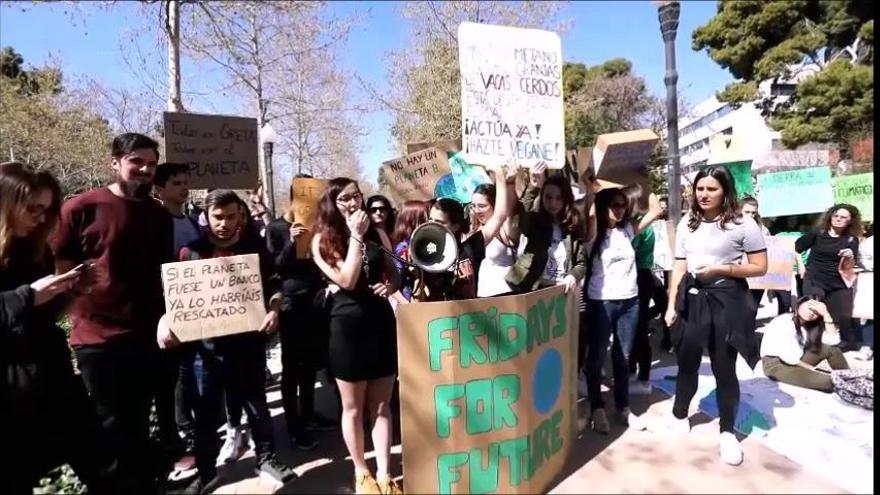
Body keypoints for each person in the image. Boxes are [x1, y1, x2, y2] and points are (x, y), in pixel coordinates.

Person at [52, 133, 175, 491]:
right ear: (115, 163)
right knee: (108, 427)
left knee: (138, 421)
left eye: (151, 164)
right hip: (97, 338)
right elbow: (60, 264)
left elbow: (164, 272)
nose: (145, 170)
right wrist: (75, 289)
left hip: (146, 335)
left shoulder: (158, 214)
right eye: (137, 161)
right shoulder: (80, 208)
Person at [161, 189, 297, 492]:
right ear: (206, 217)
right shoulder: (189, 253)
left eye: (230, 217)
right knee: (206, 415)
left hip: (247, 345)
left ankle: (266, 458)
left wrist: (274, 309)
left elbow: (274, 285)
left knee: (257, 405)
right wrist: (166, 323)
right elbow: (177, 300)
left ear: (240, 216)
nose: (223, 223)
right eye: (217, 217)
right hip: (205, 353)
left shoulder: (255, 249)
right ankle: (207, 471)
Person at [1, 162, 116, 494]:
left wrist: (74, 290)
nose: (41, 218)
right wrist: (26, 296)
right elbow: (23, 303)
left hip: (53, 377)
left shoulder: (34, 248)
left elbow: (42, 313)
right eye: (33, 208)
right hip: (9, 394)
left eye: (47, 209)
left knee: (103, 464)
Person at [653, 166, 768, 467]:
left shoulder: (743, 224)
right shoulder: (686, 224)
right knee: (687, 360)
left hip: (727, 298)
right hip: (692, 298)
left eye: (711, 189)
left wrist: (722, 269)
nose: (704, 194)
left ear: (725, 191)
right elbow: (679, 266)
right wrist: (670, 305)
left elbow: (760, 266)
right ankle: (680, 415)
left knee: (723, 367)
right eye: (700, 188)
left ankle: (727, 431)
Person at [311, 178, 402, 494]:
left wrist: (390, 285)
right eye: (345, 198)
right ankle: (362, 472)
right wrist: (356, 236)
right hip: (347, 329)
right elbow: (348, 280)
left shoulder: (378, 233)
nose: (354, 203)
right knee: (353, 408)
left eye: (357, 196)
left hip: (379, 324)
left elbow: (395, 272)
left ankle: (384, 473)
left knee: (381, 406)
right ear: (332, 204)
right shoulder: (321, 240)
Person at [583, 186, 663, 433]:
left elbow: (657, 209)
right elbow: (591, 212)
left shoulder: (628, 230)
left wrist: (639, 177)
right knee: (596, 357)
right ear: (603, 206)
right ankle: (597, 407)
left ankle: (623, 408)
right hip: (602, 302)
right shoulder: (594, 234)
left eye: (622, 205)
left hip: (630, 302)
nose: (619, 210)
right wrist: (590, 187)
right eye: (614, 205)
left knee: (623, 357)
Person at [266, 181, 338, 452]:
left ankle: (309, 415)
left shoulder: (318, 226)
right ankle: (293, 424)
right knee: (291, 368)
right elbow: (273, 269)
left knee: (310, 366)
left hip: (314, 304)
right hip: (290, 306)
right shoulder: (275, 228)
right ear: (293, 201)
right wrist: (291, 243)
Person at [153, 162, 200, 478]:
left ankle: (196, 429)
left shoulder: (193, 222)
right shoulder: (155, 223)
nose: (184, 188)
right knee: (175, 378)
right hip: (166, 314)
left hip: (196, 309)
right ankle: (181, 436)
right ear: (159, 189)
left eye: (185, 182)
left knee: (192, 372)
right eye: (176, 183)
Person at [419, 163, 511, 301]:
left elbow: (500, 215)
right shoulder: (423, 254)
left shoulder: (470, 248)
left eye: (439, 223)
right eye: (430, 220)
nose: (432, 225)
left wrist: (499, 174)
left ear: (455, 226)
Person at [796, 204, 862, 351]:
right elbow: (797, 247)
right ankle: (808, 344)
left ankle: (843, 345)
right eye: (836, 216)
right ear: (830, 217)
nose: (838, 219)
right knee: (812, 311)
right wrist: (801, 265)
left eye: (843, 217)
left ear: (850, 221)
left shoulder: (851, 240)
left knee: (844, 316)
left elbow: (850, 265)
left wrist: (850, 257)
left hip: (838, 281)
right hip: (815, 278)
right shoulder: (818, 233)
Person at [506, 174, 586, 295]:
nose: (553, 203)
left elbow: (581, 263)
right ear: (542, 197)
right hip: (534, 289)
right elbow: (520, 216)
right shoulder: (535, 221)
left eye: (559, 198)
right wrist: (533, 188)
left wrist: (573, 276)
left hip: (561, 292)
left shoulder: (573, 227)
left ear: (566, 199)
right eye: (548, 197)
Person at [622, 184, 667, 396]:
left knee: (638, 329)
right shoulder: (631, 226)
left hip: (639, 278)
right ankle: (632, 371)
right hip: (637, 278)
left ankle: (644, 378)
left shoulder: (639, 228)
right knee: (631, 328)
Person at [760, 297, 849, 392]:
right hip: (776, 365)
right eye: (809, 307)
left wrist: (826, 315)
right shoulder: (784, 321)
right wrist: (812, 369)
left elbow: (833, 342)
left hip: (798, 359)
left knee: (831, 349)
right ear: (799, 304)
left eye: (816, 312)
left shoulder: (810, 325)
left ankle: (850, 377)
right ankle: (851, 385)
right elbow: (787, 356)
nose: (811, 313)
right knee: (829, 382)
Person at [470, 167, 520, 297]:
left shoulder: (504, 228)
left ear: (494, 205)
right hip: (482, 296)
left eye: (482, 206)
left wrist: (508, 182)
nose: (477, 210)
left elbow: (507, 211)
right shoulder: (474, 229)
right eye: (473, 206)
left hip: (505, 294)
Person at [389, 200, 431, 303]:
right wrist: (406, 303)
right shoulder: (402, 248)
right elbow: (391, 281)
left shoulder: (424, 242)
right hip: (410, 300)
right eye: (425, 218)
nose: (429, 221)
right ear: (413, 220)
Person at [740, 196, 773, 309]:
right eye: (747, 212)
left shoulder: (763, 230)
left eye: (753, 213)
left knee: (753, 308)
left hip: (758, 277)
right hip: (740, 275)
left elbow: (771, 251)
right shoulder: (732, 227)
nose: (750, 216)